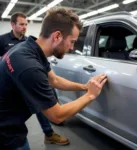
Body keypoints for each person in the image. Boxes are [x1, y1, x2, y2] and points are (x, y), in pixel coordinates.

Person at [0, 8, 107, 150]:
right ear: (57, 36)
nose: (72, 47)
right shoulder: (30, 66)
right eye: (72, 41)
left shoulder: (29, 48)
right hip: (6, 132)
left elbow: (54, 80)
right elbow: (57, 116)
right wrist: (91, 95)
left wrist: (84, 87)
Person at [0, 12, 69, 146]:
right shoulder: (2, 40)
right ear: (13, 24)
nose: (24, 27)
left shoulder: (27, 43)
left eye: (26, 24)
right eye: (21, 24)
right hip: (10, 86)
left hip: (25, 83)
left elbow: (54, 80)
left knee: (42, 104)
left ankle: (48, 134)